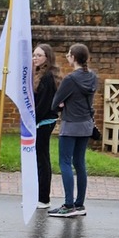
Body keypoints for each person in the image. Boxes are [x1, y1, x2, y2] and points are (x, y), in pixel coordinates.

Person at [53, 43, 97, 216]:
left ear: (73, 57)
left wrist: (63, 104)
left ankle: (68, 205)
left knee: (65, 162)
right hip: (86, 125)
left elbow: (55, 102)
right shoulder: (93, 77)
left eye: (68, 54)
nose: (67, 57)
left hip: (70, 124)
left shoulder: (70, 79)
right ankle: (79, 204)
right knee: (80, 163)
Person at [32, 43, 59, 213]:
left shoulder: (48, 77)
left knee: (42, 159)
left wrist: (33, 119)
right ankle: (38, 196)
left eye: (39, 55)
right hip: (39, 121)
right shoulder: (38, 74)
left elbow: (44, 104)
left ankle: (44, 198)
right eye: (34, 55)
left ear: (47, 58)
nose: (35, 58)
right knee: (37, 159)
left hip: (44, 122)